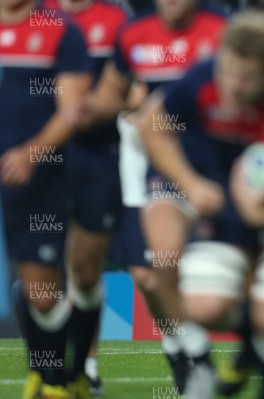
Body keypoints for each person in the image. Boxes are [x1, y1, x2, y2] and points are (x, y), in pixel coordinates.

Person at [137, 10, 264, 398]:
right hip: (221, 198)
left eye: (246, 77)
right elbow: (151, 127)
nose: (232, 85)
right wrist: (192, 185)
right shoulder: (202, 79)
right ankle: (208, 356)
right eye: (227, 72)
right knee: (204, 306)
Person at [82, 0, 226, 393]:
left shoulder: (215, 32)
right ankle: (177, 345)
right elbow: (117, 99)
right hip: (139, 183)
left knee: (179, 267)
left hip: (203, 171)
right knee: (148, 277)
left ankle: (200, 350)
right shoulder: (131, 44)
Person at [0, 0, 92, 397]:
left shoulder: (60, 30)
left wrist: (30, 153)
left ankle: (56, 377)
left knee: (41, 291)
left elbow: (72, 111)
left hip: (35, 177)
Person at [42, 0, 129, 395]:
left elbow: (133, 85)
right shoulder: (37, 15)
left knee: (87, 269)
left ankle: (87, 363)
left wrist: (108, 106)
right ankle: (49, 367)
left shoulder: (116, 19)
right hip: (44, 155)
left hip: (97, 158)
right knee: (45, 266)